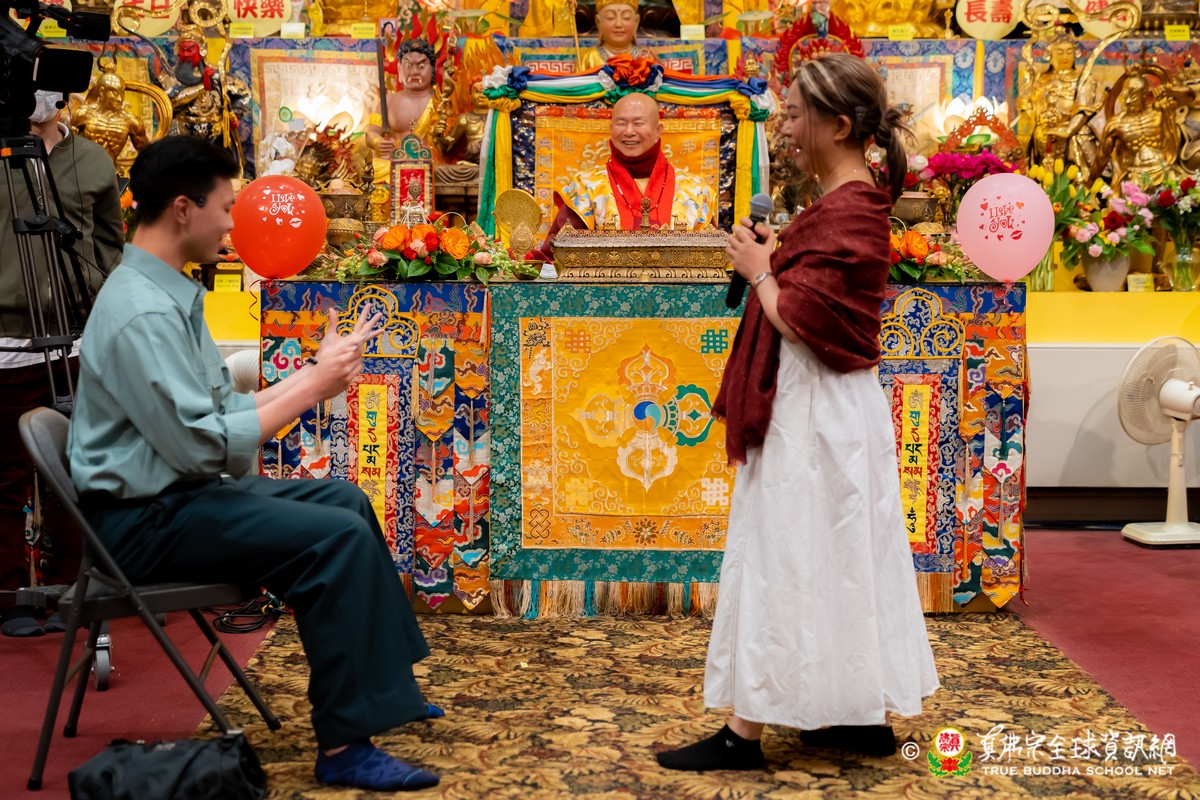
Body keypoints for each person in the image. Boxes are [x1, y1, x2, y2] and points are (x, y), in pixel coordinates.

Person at [67, 135, 441, 792]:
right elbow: (202, 445)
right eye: (226, 208)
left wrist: (312, 376)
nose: (232, 225)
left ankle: (381, 687)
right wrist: (313, 386)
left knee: (346, 500)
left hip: (176, 498)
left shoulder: (161, 292)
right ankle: (346, 745)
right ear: (183, 208)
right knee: (335, 537)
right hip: (141, 522)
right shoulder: (139, 310)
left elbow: (218, 409)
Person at [655, 52, 939, 771]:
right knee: (837, 554)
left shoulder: (851, 209)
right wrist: (776, 257)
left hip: (816, 408)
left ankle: (744, 734)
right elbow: (813, 292)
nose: (783, 127)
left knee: (788, 550)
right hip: (822, 407)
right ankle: (855, 712)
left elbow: (807, 320)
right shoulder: (844, 202)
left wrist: (760, 274)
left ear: (838, 125)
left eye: (794, 114)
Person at [0, 90, 123, 637]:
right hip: (6, 341)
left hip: (75, 340)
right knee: (7, 477)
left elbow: (110, 244)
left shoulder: (93, 159)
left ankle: (75, 588)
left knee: (77, 470)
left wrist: (102, 299)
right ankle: (11, 597)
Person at [531, 92, 713, 260]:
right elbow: (556, 255)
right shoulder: (586, 186)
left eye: (638, 123)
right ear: (611, 128)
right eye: (621, 123)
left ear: (658, 130)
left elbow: (712, 257)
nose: (629, 131)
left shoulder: (694, 190)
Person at [577, 0, 654, 71]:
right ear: (598, 22)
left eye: (626, 17)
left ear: (636, 21)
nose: (618, 24)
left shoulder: (646, 58)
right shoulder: (590, 57)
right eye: (610, 17)